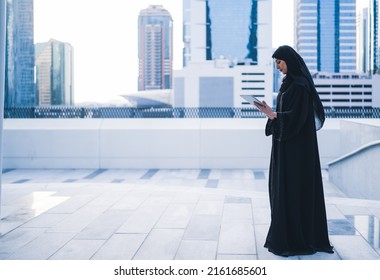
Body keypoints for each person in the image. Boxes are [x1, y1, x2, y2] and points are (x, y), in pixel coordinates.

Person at [254, 45, 334, 257]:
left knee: (292, 188)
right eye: (276, 63)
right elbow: (287, 113)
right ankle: (288, 234)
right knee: (283, 188)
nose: (278, 67)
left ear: (289, 60)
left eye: (279, 62)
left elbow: (298, 117)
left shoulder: (299, 85)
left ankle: (296, 238)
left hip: (297, 151)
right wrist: (271, 113)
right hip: (287, 146)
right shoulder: (289, 84)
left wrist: (275, 115)